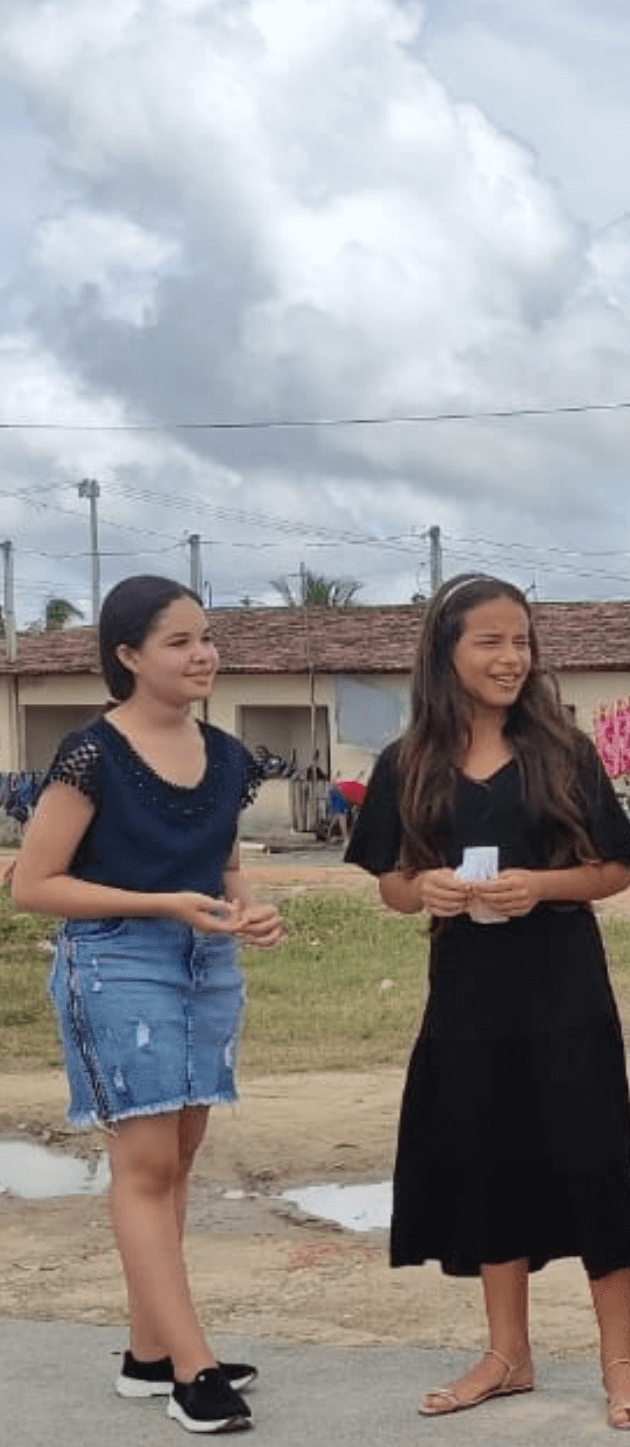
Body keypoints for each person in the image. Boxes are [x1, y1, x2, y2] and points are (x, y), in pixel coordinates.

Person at [343, 574, 630, 1431]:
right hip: (467, 1000)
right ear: (445, 652)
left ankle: (619, 1359)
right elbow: (390, 886)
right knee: (487, 1160)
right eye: (490, 640)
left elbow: (617, 869)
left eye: (521, 640)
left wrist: (544, 885)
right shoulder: (406, 762)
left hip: (565, 992)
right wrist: (430, 892)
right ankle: (506, 1353)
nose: (510, 657)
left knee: (593, 1159)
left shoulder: (565, 753)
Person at [13, 575, 285, 1436]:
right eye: (179, 641)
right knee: (146, 1166)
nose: (202, 653)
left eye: (207, 636)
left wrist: (247, 911)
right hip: (117, 964)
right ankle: (193, 1368)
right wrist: (160, 903)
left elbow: (226, 864)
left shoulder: (229, 755)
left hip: (207, 964)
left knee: (180, 1156)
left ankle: (147, 1352)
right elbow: (33, 884)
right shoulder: (91, 753)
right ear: (127, 656)